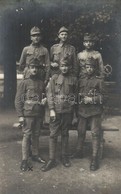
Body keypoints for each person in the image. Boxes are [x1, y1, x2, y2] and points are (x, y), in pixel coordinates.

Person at [41, 58, 77, 172]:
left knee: (65, 133)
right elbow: (50, 94)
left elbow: (75, 96)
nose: (64, 68)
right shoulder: (54, 78)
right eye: (62, 66)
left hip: (67, 111)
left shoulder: (74, 79)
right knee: (53, 134)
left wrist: (73, 111)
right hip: (55, 111)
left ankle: (64, 156)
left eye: (66, 66)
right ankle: (52, 159)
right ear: (59, 67)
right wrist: (51, 109)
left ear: (70, 67)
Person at [72, 57, 104, 171]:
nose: (89, 69)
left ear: (95, 68)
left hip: (95, 112)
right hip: (82, 111)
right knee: (80, 132)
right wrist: (75, 114)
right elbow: (75, 97)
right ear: (84, 68)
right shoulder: (81, 80)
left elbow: (104, 97)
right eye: (87, 67)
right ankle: (79, 151)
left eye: (92, 67)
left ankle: (94, 158)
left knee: (95, 133)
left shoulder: (99, 81)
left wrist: (92, 99)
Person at [15, 59, 47, 171]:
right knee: (27, 135)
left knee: (36, 135)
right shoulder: (24, 82)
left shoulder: (41, 82)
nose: (34, 69)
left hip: (38, 113)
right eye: (32, 67)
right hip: (27, 113)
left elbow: (43, 96)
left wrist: (44, 100)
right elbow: (18, 100)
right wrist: (20, 115)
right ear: (28, 68)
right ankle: (24, 160)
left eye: (36, 68)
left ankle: (35, 154)